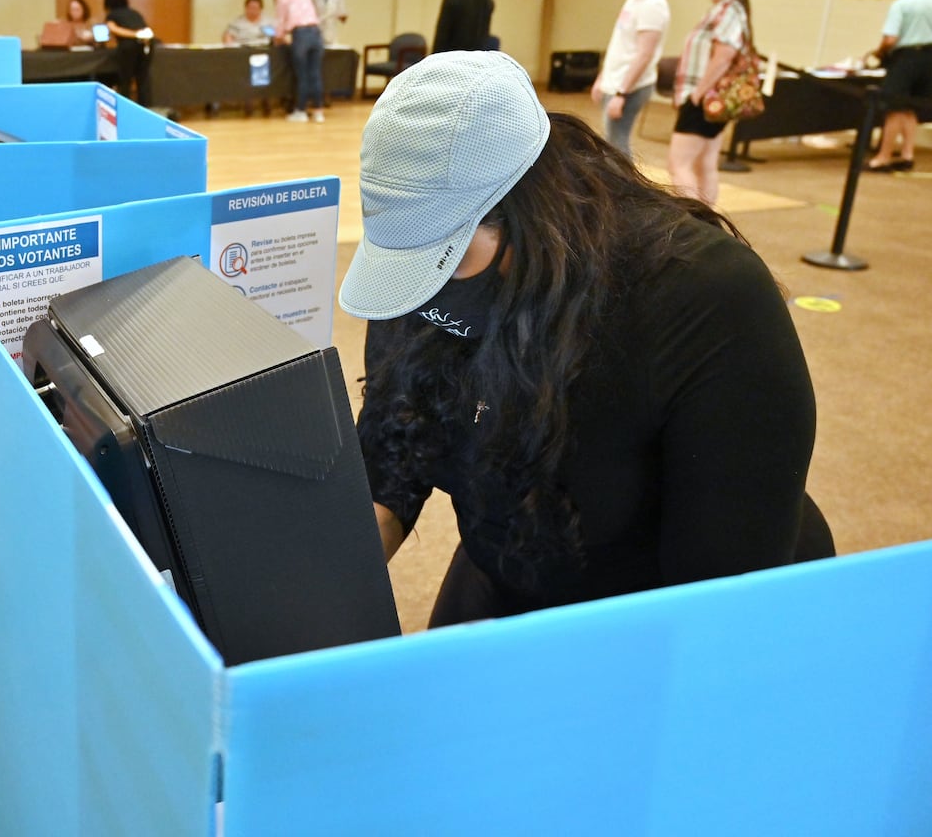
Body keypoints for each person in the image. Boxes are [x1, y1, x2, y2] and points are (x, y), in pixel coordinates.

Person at [339, 51, 834, 628]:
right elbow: (394, 449)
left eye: (444, 260)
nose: (430, 292)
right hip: (519, 557)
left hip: (657, 603)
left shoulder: (702, 296)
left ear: (523, 213)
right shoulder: (423, 272)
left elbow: (719, 601)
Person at [667, 0, 751, 204]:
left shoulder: (730, 11)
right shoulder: (721, 10)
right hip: (707, 97)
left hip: (705, 97)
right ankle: (706, 218)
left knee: (678, 164)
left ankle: (692, 219)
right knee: (705, 163)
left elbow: (724, 56)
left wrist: (697, 94)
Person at [591, 0, 670, 156]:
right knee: (610, 141)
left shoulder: (654, 4)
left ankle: (624, 188)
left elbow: (645, 53)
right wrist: (603, 78)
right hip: (616, 80)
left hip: (630, 87)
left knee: (617, 146)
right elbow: (621, 44)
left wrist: (622, 93)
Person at [867, 0, 932, 171]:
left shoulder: (901, 4)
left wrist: (878, 53)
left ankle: (883, 157)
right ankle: (907, 154)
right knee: (909, 107)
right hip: (929, 59)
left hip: (906, 59)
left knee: (893, 108)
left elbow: (891, 39)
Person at [274, 0, 326, 123]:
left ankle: (301, 110)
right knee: (315, 74)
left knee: (301, 75)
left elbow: (281, 21)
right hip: (316, 33)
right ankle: (318, 112)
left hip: (301, 35)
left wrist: (278, 37)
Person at [102, 0, 155, 106]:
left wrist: (134, 35)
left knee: (125, 80)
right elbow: (145, 29)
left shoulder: (112, 15)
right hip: (147, 44)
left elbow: (113, 29)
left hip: (128, 47)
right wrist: (140, 35)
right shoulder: (135, 13)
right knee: (143, 79)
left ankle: (123, 108)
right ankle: (146, 109)